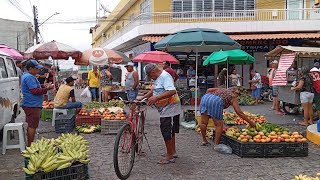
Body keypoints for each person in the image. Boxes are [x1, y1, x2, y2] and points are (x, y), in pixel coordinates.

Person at [139, 63, 181, 164]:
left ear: (153, 72)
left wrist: (156, 98)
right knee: (170, 130)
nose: (150, 77)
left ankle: (170, 156)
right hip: (165, 107)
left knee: (166, 130)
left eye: (149, 75)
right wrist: (143, 97)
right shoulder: (157, 78)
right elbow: (154, 91)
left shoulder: (165, 76)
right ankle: (172, 152)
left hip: (170, 107)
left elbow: (172, 91)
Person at [21, 60, 54, 147]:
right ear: (31, 68)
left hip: (31, 104)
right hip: (32, 104)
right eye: (36, 68)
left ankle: (30, 143)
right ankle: (30, 146)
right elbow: (35, 91)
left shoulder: (28, 76)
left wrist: (44, 86)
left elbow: (34, 87)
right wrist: (48, 89)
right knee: (32, 126)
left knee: (31, 124)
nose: (38, 70)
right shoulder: (29, 77)